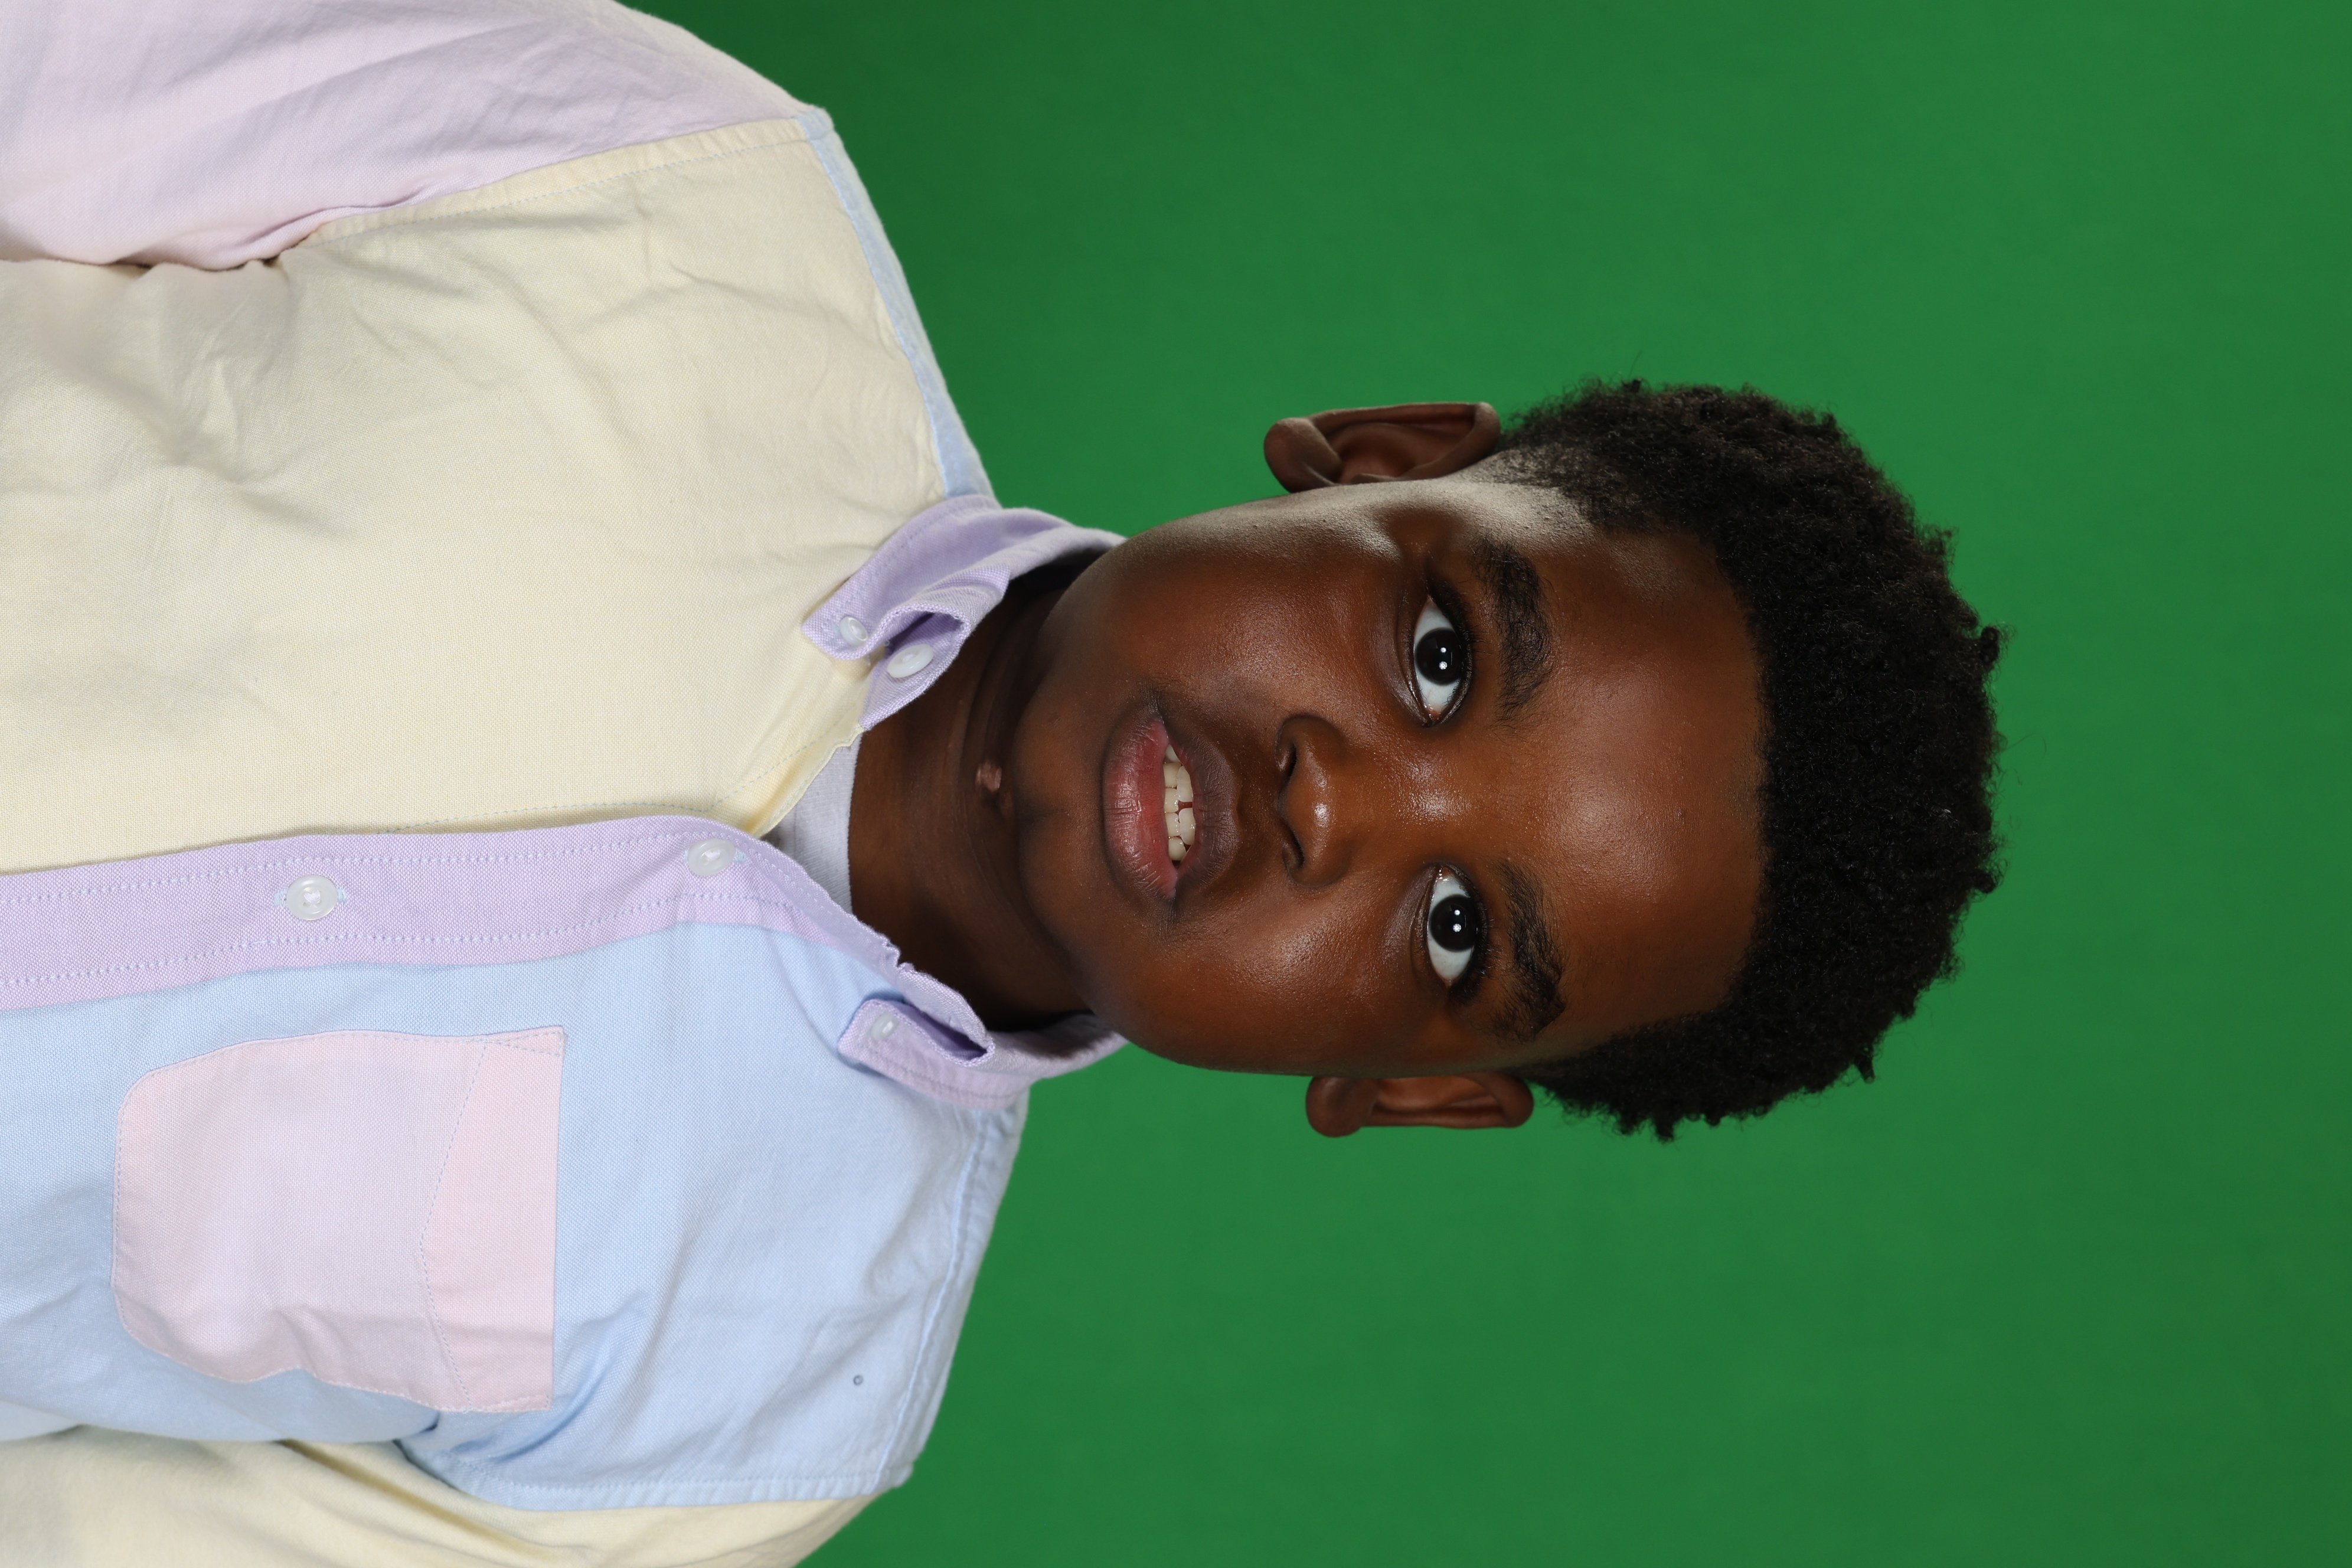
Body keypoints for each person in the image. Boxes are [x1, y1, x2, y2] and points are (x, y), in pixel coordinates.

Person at [0, 1, 2001, 1563]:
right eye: (1440, 655)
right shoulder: (658, 194)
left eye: (1462, 932)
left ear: (1405, 1086)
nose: (1335, 808)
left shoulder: (745, 1415)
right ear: (1378, 452)